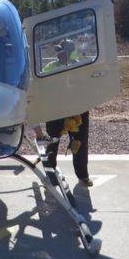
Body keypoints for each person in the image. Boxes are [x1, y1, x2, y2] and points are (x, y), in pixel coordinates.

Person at [34, 40, 92, 187]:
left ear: (70, 53)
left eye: (61, 51)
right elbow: (43, 85)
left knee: (79, 144)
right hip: (56, 110)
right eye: (58, 52)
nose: (58, 54)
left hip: (77, 111)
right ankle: (50, 174)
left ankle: (83, 176)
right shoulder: (51, 66)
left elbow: (87, 88)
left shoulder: (79, 67)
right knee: (52, 142)